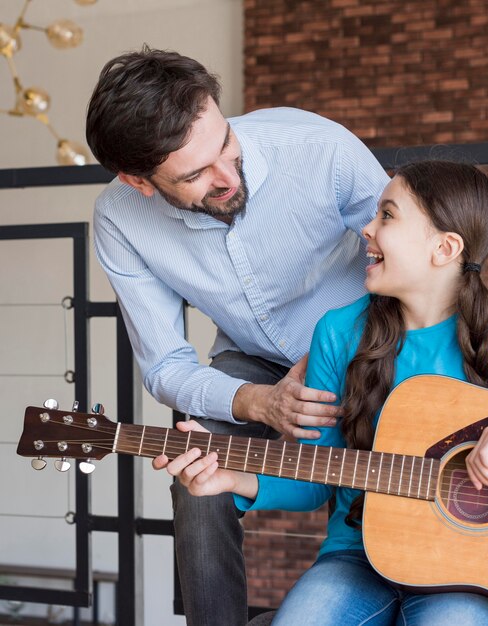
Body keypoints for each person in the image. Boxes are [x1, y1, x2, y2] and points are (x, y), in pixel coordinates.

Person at [161, 160, 488, 625]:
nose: (366, 229)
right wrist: (233, 479)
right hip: (357, 557)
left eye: (387, 215)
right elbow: (319, 473)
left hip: (475, 574)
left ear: (444, 248)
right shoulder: (340, 333)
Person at [85, 47, 390, 625]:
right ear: (137, 180)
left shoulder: (319, 147)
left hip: (372, 342)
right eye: (195, 175)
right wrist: (257, 402)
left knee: (375, 487)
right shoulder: (119, 220)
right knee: (196, 467)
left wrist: (343, 350)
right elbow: (165, 367)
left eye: (225, 145)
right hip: (248, 362)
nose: (227, 176)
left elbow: (412, 252)